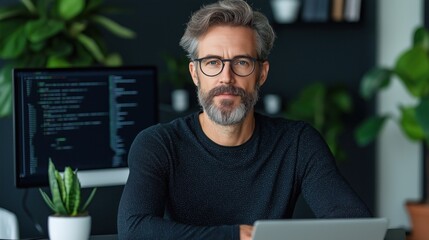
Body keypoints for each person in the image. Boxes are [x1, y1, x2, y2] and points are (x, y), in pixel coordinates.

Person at [117, 0, 372, 239]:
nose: (226, 78)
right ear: (195, 74)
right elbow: (133, 228)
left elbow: (354, 224)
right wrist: (233, 236)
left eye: (241, 62)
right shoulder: (158, 144)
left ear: (262, 73)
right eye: (212, 62)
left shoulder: (297, 143)